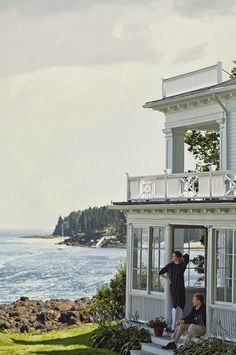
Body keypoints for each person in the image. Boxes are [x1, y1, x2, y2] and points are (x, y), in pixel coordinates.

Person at [159, 251, 189, 330]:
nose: (172, 257)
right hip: (173, 288)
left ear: (178, 258)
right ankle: (173, 326)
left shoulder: (182, 266)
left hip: (181, 288)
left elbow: (187, 256)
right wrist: (168, 279)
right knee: (175, 305)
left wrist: (182, 258)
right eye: (172, 256)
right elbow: (160, 272)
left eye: (174, 256)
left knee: (181, 305)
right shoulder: (170, 266)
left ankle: (179, 326)